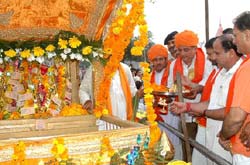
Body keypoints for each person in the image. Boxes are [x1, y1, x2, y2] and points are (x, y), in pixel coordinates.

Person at [171, 34, 243, 165]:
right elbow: (212, 103)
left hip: (227, 139)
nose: (213, 58)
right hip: (213, 134)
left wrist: (204, 113)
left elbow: (231, 113)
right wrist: (187, 107)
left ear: (231, 53)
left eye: (217, 53)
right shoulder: (221, 72)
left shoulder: (241, 73)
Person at [168, 30, 213, 163]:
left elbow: (209, 84)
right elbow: (170, 86)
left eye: (186, 50)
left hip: (205, 113)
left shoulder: (208, 62)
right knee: (187, 145)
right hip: (184, 114)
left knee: (203, 149)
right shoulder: (173, 65)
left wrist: (194, 87)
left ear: (195, 48)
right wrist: (177, 90)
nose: (182, 54)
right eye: (180, 50)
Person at [218, 11, 250, 164]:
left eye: (236, 36)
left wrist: (224, 135)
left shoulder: (248, 68)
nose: (235, 42)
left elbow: (236, 119)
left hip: (245, 151)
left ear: (248, 35)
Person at [147, 44, 182, 160]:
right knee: (159, 143)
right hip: (156, 116)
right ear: (151, 62)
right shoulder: (149, 76)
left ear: (166, 59)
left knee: (174, 141)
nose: (158, 62)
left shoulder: (172, 72)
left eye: (161, 59)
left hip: (172, 114)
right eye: (155, 60)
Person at [79, 62, 144, 123]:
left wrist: (140, 94)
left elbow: (132, 93)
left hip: (122, 117)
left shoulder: (125, 69)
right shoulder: (94, 68)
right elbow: (83, 90)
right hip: (102, 118)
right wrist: (86, 101)